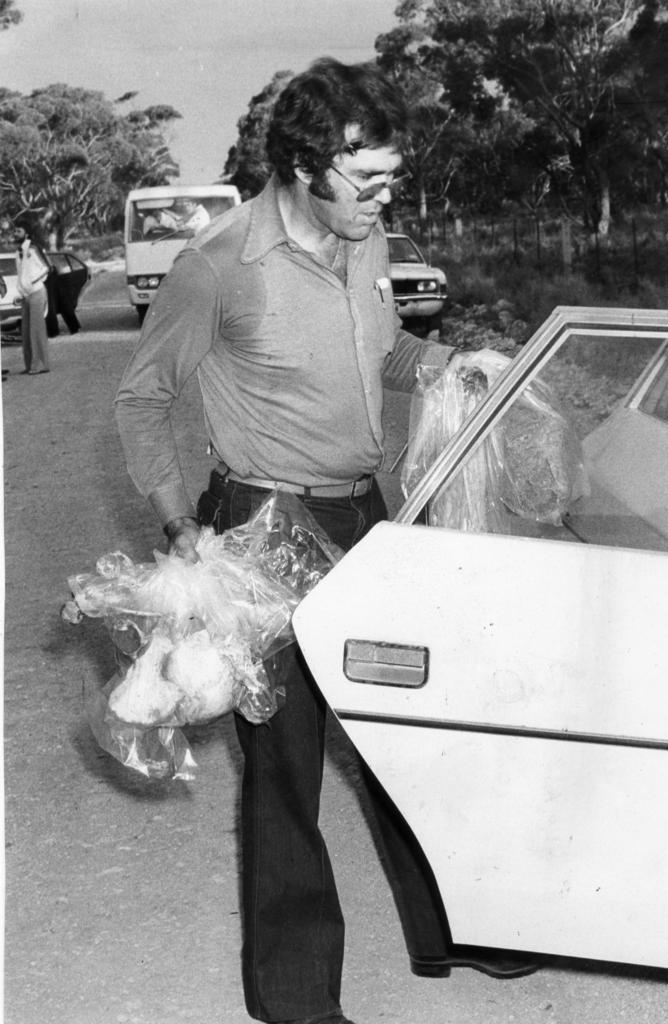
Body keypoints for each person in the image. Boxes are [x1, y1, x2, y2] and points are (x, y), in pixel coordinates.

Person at [115, 57, 535, 1024]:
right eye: (370, 177)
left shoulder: (368, 237)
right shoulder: (218, 266)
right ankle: (299, 998)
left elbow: (379, 349)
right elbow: (143, 399)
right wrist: (180, 521)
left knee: (411, 727)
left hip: (365, 514)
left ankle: (456, 931)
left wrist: (445, 360)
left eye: (393, 178)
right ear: (307, 164)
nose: (386, 197)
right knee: (286, 760)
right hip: (263, 524)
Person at [14, 218, 50, 374]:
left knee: (36, 331)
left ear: (26, 233)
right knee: (26, 331)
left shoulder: (34, 248)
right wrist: (20, 292)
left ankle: (41, 365)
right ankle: (29, 365)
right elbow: (20, 274)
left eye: (18, 231)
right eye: (15, 231)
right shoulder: (18, 251)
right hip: (26, 295)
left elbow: (46, 267)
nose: (15, 234)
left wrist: (31, 282)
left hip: (37, 292)